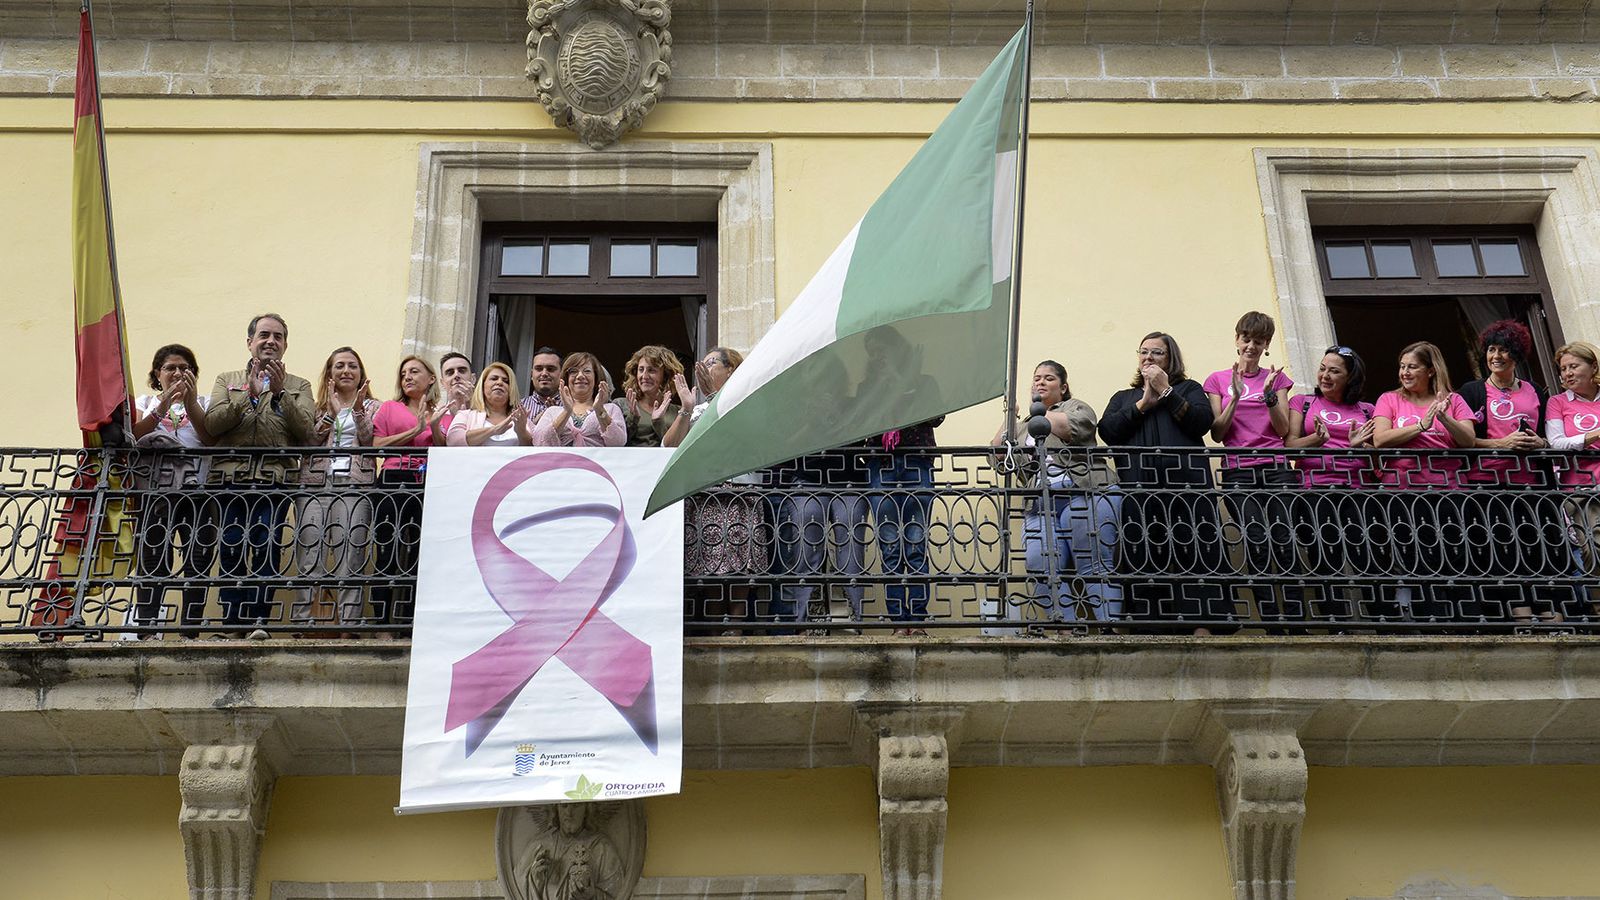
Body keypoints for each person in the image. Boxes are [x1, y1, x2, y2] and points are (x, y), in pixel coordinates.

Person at [1099, 331, 1226, 632]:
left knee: (1196, 549)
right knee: (1142, 552)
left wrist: (1167, 392)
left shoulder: (1189, 388)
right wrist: (1143, 403)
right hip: (1140, 488)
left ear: (1170, 359)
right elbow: (1108, 431)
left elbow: (1201, 422)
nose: (1148, 358)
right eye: (1143, 352)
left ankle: (1202, 623)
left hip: (1188, 487)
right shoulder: (1123, 397)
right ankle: (1147, 624)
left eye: (1157, 353)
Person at [205, 313, 316, 632]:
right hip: (230, 479)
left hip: (276, 480)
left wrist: (280, 394)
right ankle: (231, 622)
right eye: (265, 334)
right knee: (231, 546)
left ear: (285, 345)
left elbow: (306, 431)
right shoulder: (227, 379)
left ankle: (258, 619)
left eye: (278, 336)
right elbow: (213, 425)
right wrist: (249, 397)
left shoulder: (299, 385)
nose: (271, 341)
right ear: (250, 341)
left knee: (267, 546)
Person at [991, 360, 1119, 630]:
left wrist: (1039, 411)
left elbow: (1076, 427)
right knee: (1039, 564)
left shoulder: (1075, 406)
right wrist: (1010, 416)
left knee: (1093, 564)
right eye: (1036, 378)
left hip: (1086, 490)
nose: (1040, 382)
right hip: (1041, 502)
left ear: (1063, 387)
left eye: (1048, 378)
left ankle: (1108, 627)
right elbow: (998, 457)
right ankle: (1067, 628)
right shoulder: (1023, 425)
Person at [1457, 320, 1562, 622]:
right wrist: (1500, 443)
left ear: (1516, 354)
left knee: (1539, 545)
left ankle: (1549, 610)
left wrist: (1539, 441)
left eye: (1504, 350)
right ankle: (1520, 613)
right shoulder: (1472, 391)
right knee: (1502, 547)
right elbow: (1461, 440)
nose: (1496, 356)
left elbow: (1549, 436)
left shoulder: (1535, 392)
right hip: (1488, 483)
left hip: (1533, 483)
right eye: (1492, 350)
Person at [1372, 341, 1477, 622]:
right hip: (1404, 491)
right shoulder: (1389, 399)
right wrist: (1420, 426)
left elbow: (1467, 439)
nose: (1404, 372)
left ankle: (1462, 621)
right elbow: (1380, 438)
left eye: (1412, 366)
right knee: (1415, 556)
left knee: (1455, 553)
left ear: (1430, 370)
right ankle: (1430, 619)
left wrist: (1443, 416)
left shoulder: (1452, 400)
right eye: (1402, 366)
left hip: (1449, 489)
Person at [1203, 311, 1297, 623]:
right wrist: (1235, 397)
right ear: (1237, 339)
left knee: (1284, 539)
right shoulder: (1218, 380)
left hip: (1277, 467)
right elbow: (1217, 433)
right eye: (1246, 339)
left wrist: (1270, 396)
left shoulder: (1277, 379)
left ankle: (1296, 619)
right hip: (1238, 470)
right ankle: (1271, 620)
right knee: (1256, 540)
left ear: (1267, 343)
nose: (1251, 346)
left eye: (1259, 341)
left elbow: (1283, 430)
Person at [672, 348, 769, 629]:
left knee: (740, 560)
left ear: (731, 370)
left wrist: (714, 396)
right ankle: (715, 623)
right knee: (710, 561)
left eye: (713, 362)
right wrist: (686, 408)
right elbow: (675, 447)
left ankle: (735, 624)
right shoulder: (699, 409)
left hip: (740, 493)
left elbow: (738, 431)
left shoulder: (749, 402)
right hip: (708, 495)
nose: (706, 367)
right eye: (705, 362)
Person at [1285, 345, 1377, 622]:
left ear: (1349, 378)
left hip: (1358, 491)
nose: (1325, 375)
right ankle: (1335, 622)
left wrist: (1358, 447)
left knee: (1367, 557)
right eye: (1322, 368)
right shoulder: (1301, 402)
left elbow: (1380, 461)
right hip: (1315, 491)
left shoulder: (1367, 409)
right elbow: (1289, 447)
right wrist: (1316, 441)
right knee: (1324, 559)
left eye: (1334, 371)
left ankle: (1382, 620)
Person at [294, 347, 380, 631]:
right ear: (329, 373)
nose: (346, 371)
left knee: (350, 552)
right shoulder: (316, 406)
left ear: (361, 374)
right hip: (317, 483)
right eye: (339, 365)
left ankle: (349, 622)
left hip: (356, 484)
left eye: (352, 366)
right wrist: (330, 415)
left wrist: (357, 413)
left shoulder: (374, 407)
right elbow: (308, 442)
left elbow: (370, 442)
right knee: (310, 549)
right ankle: (304, 621)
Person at [131, 344, 214, 635]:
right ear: (157, 374)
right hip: (155, 491)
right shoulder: (143, 401)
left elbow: (210, 437)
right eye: (171, 368)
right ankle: (148, 627)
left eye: (185, 368)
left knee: (198, 556)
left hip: (198, 489)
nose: (178, 373)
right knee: (154, 556)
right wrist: (162, 406)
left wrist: (190, 403)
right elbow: (133, 435)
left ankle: (190, 629)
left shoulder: (204, 402)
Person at [371, 355, 445, 630]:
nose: (408, 377)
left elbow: (446, 448)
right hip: (393, 477)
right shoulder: (390, 408)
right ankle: (380, 624)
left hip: (428, 481)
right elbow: (377, 445)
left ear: (431, 378)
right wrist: (415, 430)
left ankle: (410, 623)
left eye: (415, 372)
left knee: (420, 554)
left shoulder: (442, 411)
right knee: (387, 550)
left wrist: (433, 425)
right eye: (404, 374)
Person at [1545, 341, 1600, 618]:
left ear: (1593, 367)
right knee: (1592, 548)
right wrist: (1594, 435)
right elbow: (1556, 443)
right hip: (1580, 489)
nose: (1567, 373)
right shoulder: (1557, 403)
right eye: (1563, 369)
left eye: (1573, 366)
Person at [532, 352, 625, 447]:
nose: (580, 376)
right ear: (566, 379)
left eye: (587, 371)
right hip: (561, 461)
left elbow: (619, 442)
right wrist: (567, 412)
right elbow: (540, 442)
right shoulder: (552, 411)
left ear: (595, 377)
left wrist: (600, 410)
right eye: (573, 371)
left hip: (596, 462)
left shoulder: (611, 409)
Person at [446, 362, 534, 446]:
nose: (499, 383)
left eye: (506, 381)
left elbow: (537, 450)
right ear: (482, 386)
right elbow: (452, 441)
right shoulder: (466, 415)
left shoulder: (522, 419)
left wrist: (521, 431)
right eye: (494, 378)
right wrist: (493, 430)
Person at [620, 345, 686, 447]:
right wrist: (633, 417)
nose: (644, 376)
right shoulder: (621, 405)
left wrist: (658, 422)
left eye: (651, 370)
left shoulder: (679, 412)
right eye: (641, 370)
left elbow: (676, 448)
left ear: (665, 376)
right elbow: (617, 442)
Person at [519, 347, 564, 424]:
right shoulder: (518, 408)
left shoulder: (572, 407)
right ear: (532, 374)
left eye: (550, 369)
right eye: (539, 369)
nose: (544, 373)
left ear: (561, 374)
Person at [437, 352, 475, 435]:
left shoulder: (487, 412)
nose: (456, 375)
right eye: (450, 373)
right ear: (442, 383)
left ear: (473, 379)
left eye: (462, 371)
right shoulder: (437, 416)